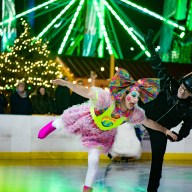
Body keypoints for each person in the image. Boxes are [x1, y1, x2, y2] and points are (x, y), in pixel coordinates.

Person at [38, 68, 177, 192]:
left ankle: (87, 188)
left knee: (94, 160)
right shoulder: (107, 99)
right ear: (124, 94)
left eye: (137, 97)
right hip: (88, 118)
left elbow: (149, 122)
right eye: (132, 95)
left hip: (100, 133)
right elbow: (86, 92)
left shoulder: (134, 113)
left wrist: (165, 131)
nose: (135, 100)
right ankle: (52, 125)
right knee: (65, 121)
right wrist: (67, 84)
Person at [141, 29, 192, 192]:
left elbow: (186, 128)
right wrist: (149, 44)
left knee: (157, 161)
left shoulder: (189, 109)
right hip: (144, 114)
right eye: (183, 86)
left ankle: (152, 190)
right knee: (126, 98)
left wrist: (178, 136)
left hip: (160, 130)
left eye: (187, 91)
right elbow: (157, 63)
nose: (182, 91)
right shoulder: (169, 84)